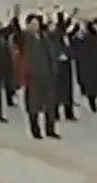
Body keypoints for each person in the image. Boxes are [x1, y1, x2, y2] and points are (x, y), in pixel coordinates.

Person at [14, 12, 60, 140]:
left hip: (47, 75)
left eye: (36, 24)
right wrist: (16, 18)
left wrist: (53, 70)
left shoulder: (44, 37)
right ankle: (35, 130)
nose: (35, 26)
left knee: (50, 105)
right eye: (32, 24)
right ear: (27, 25)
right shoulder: (25, 38)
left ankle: (50, 129)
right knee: (33, 105)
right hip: (33, 76)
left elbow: (50, 54)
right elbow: (16, 35)